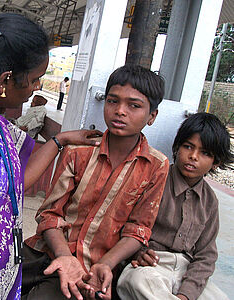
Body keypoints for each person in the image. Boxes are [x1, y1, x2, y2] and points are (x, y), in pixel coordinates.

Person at [0, 13, 101, 300]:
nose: (38, 87)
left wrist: (59, 140)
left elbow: (15, 182)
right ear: (6, 80)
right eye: (35, 79)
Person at [22, 64, 170, 300]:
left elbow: (138, 230)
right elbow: (49, 214)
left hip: (100, 269)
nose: (120, 111)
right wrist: (66, 258)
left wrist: (106, 265)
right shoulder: (78, 151)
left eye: (134, 105)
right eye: (113, 101)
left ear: (152, 116)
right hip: (48, 253)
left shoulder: (156, 165)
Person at [117, 112, 234, 300]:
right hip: (151, 265)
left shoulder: (210, 201)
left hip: (185, 272)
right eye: (188, 147)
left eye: (205, 153)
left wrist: (186, 295)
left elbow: (206, 255)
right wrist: (138, 253)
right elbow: (123, 225)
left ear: (215, 162)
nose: (193, 156)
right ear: (177, 147)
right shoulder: (155, 180)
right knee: (138, 281)